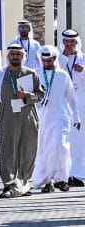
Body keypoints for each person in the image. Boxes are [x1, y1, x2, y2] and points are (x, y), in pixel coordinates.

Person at [0, 42, 45, 198]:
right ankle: (9, 184)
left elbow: (41, 95)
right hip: (7, 120)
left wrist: (27, 96)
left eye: (18, 54)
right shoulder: (0, 75)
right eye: (13, 54)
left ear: (23, 56)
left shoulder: (31, 74)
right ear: (8, 56)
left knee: (27, 153)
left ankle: (23, 183)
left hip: (28, 120)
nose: (15, 57)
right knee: (7, 153)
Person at [31, 46, 80, 192]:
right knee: (46, 150)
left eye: (49, 60)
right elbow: (29, 95)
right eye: (44, 60)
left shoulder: (63, 75)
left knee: (61, 148)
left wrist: (76, 117)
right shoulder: (36, 74)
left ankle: (63, 179)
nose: (47, 63)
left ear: (54, 59)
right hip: (42, 118)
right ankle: (48, 181)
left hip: (60, 117)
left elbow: (71, 98)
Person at [58, 29, 85, 185]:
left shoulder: (83, 59)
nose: (69, 45)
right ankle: (64, 174)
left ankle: (79, 173)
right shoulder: (58, 60)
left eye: (72, 42)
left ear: (77, 42)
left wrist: (83, 72)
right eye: (66, 42)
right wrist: (64, 59)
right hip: (63, 105)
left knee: (80, 141)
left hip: (81, 105)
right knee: (64, 140)